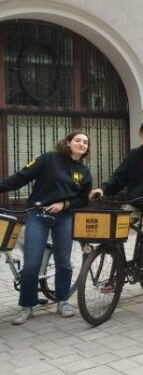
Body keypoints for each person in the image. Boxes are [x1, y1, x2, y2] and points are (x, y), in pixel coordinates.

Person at [2, 132, 92, 325]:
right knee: (31, 264)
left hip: (64, 217)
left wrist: (64, 204)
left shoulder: (84, 172)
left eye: (85, 142)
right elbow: (20, 177)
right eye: (77, 140)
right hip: (39, 215)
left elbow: (83, 199)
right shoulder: (49, 159)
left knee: (63, 262)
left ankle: (63, 301)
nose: (81, 144)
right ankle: (27, 306)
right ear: (68, 143)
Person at [90, 119, 143, 301]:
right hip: (136, 200)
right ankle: (117, 275)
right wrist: (102, 189)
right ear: (140, 134)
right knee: (118, 230)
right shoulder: (134, 154)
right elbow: (119, 176)